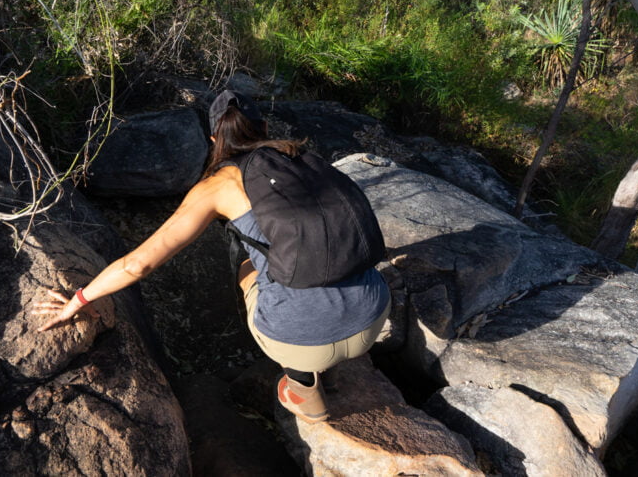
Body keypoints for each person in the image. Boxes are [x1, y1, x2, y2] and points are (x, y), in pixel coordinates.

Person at [32, 90, 391, 424]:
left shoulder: (218, 186)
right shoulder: (302, 156)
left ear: (215, 141)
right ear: (264, 128)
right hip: (374, 317)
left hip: (299, 344)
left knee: (245, 254)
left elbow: (138, 263)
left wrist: (78, 299)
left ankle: (304, 390)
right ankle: (335, 359)